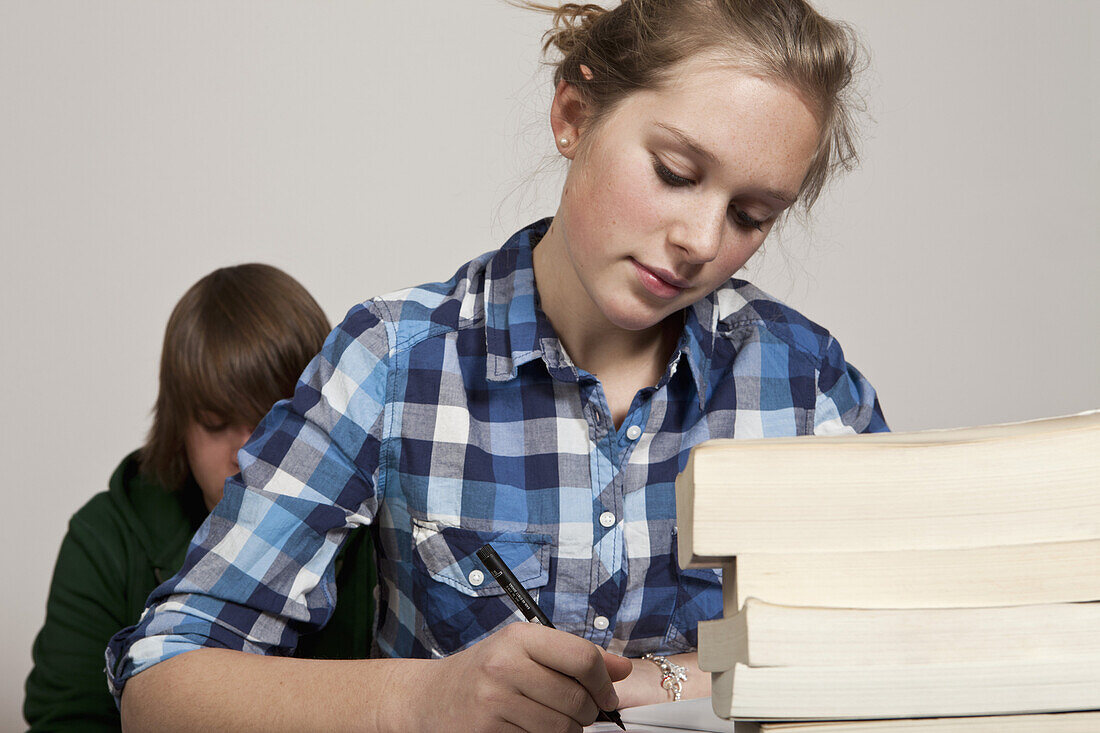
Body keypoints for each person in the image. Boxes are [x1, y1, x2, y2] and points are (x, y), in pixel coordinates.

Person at [108, 1, 887, 730]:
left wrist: (676, 677)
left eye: (751, 215)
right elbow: (161, 678)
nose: (702, 239)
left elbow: (904, 649)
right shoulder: (394, 360)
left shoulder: (806, 382)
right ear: (573, 116)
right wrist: (426, 697)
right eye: (676, 173)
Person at [24, 264, 377, 731]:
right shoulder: (107, 536)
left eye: (274, 421)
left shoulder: (383, 527)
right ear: (178, 426)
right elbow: (66, 720)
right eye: (215, 424)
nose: (246, 451)